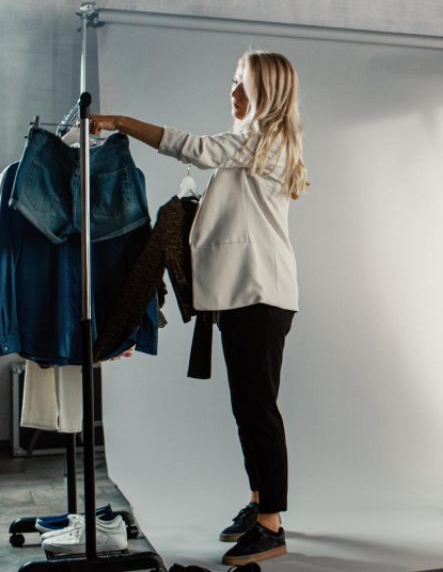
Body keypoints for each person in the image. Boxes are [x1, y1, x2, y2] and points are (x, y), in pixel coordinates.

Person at [90, 51, 308, 565]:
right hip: (243, 294)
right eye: (232, 81)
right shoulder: (254, 143)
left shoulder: (263, 139)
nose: (232, 92)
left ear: (267, 92)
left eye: (243, 85)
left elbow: (195, 148)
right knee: (247, 409)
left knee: (258, 411)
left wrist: (120, 121)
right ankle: (259, 506)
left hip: (259, 293)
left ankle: (272, 526)